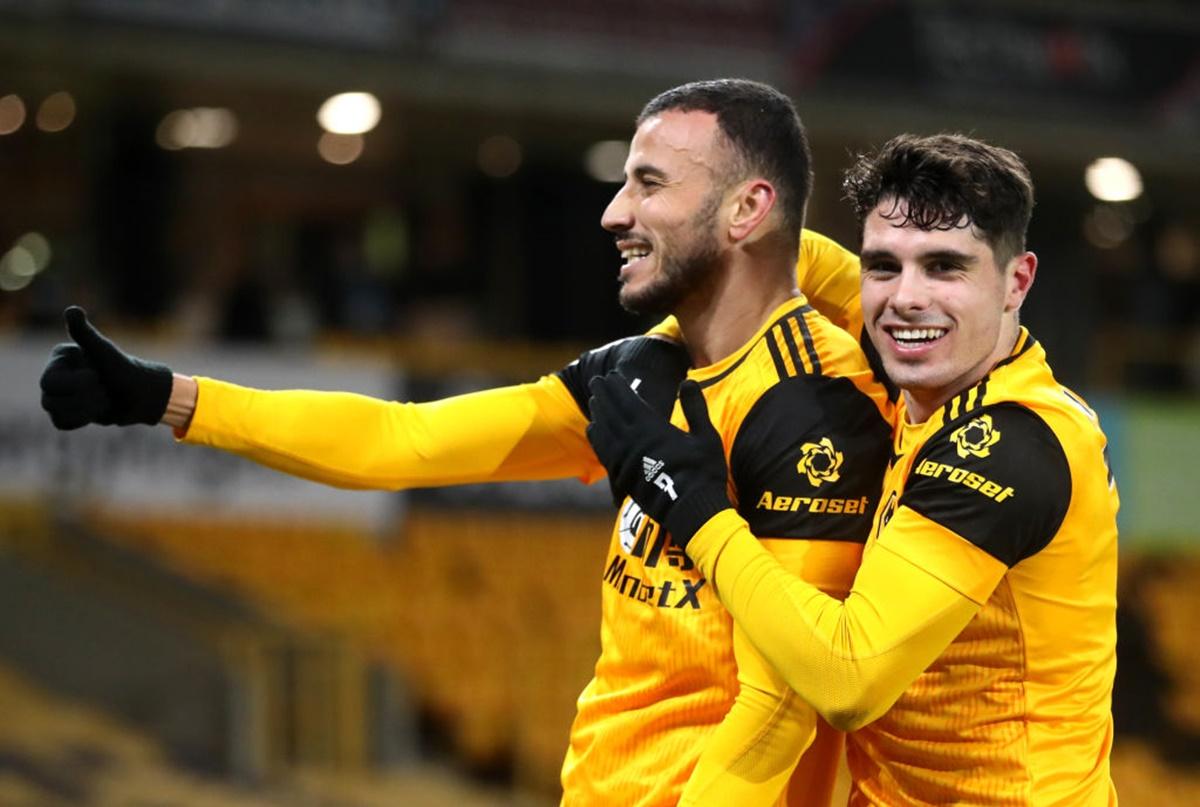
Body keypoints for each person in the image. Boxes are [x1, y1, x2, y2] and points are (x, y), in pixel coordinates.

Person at [40, 79, 892, 806]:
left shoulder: (819, 404)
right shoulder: (639, 371)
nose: (613, 212)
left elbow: (781, 705)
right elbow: (401, 440)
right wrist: (172, 397)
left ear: (747, 209)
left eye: (649, 184)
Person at [587, 133, 1119, 804]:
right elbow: (788, 251)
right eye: (884, 266)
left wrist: (690, 502)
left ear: (1016, 281)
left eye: (945, 267)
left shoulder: (1013, 447)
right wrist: (659, 325)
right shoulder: (934, 363)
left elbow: (847, 678)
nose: (906, 299)